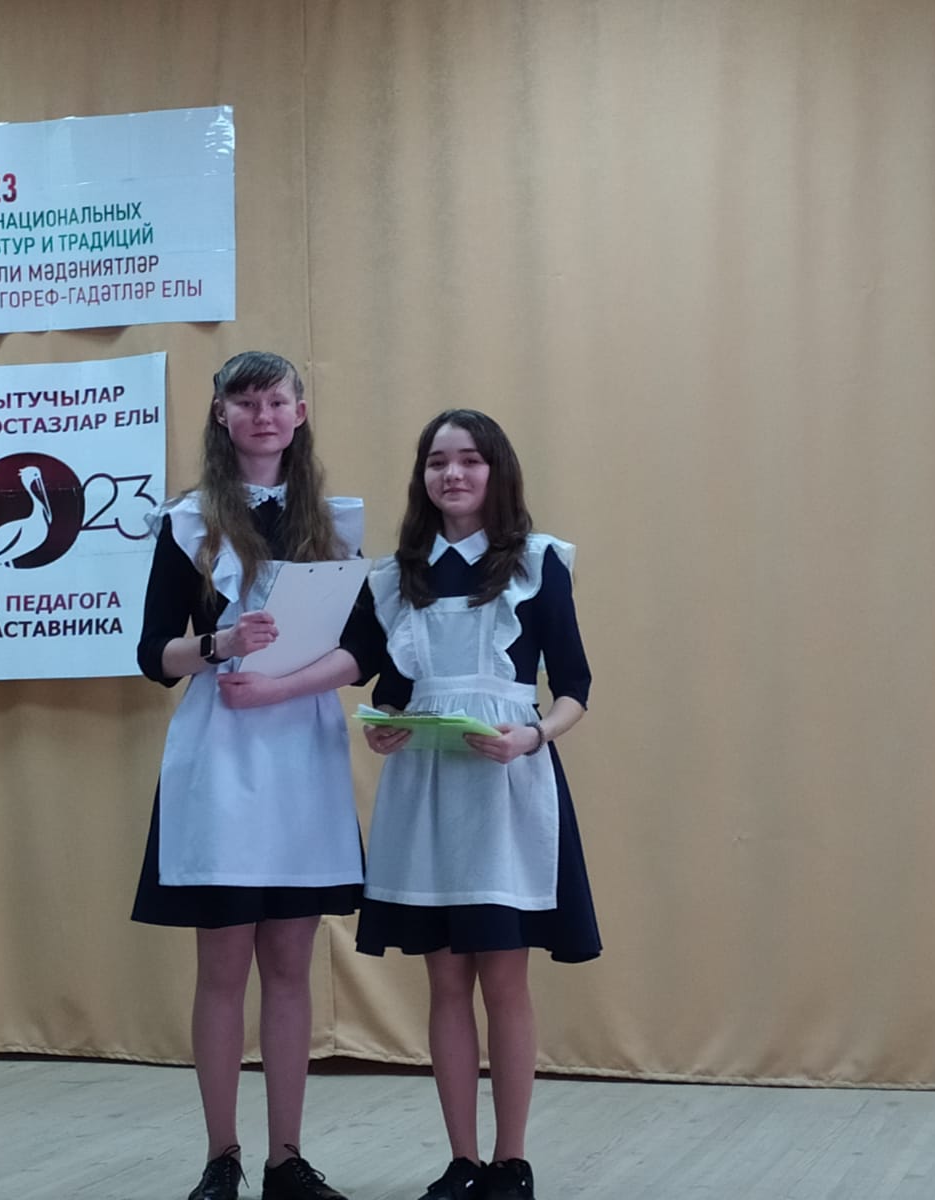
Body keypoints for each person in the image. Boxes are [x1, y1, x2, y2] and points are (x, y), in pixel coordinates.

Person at [132, 351, 378, 1200]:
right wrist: (221, 644)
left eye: (276, 401)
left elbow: (367, 648)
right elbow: (152, 655)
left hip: (302, 750)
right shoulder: (187, 523)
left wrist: (281, 685)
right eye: (245, 403)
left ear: (299, 413)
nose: (262, 416)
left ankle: (286, 1159)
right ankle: (221, 1157)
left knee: (290, 965)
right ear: (221, 415)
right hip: (222, 754)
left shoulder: (333, 524)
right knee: (222, 968)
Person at [357, 410, 600, 1200]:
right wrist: (384, 730)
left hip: (505, 788)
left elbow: (574, 687)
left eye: (468, 460)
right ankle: (461, 1160)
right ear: (422, 476)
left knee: (505, 981)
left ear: (497, 471)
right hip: (428, 792)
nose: (452, 474)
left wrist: (534, 738)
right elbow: (392, 692)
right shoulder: (396, 577)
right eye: (437, 461)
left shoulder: (538, 563)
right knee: (445, 981)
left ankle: (511, 1160)